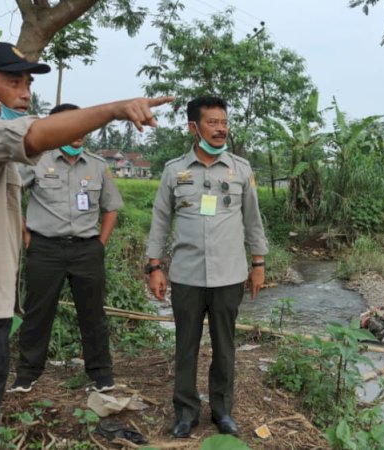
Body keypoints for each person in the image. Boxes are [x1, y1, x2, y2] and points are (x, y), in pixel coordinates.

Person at [0, 41, 172, 450]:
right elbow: (35, 134)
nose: (25, 93)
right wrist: (114, 109)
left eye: (28, 82)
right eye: (14, 81)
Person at [146, 95, 268, 438]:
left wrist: (258, 262)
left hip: (230, 275)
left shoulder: (240, 169)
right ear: (193, 127)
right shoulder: (174, 171)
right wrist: (153, 266)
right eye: (213, 122)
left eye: (224, 122)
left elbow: (253, 221)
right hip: (186, 275)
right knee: (185, 345)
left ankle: (223, 411)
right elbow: (160, 221)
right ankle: (185, 412)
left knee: (225, 346)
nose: (220, 129)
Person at [10, 103, 123, 394]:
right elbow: (9, 192)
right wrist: (24, 232)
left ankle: (101, 373)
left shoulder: (98, 165)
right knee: (38, 312)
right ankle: (27, 373)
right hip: (45, 248)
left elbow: (111, 207)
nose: (78, 133)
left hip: (86, 249)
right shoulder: (37, 161)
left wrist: (100, 244)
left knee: (93, 313)